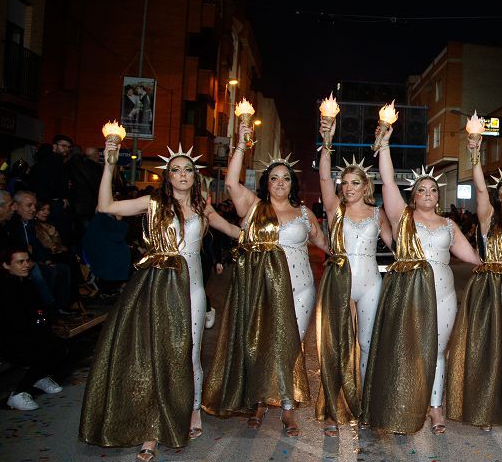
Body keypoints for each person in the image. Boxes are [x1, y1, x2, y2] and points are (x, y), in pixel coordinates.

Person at [80, 140, 238, 462]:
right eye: (176, 170)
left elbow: (232, 229)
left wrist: (267, 232)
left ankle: (193, 411)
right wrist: (109, 166)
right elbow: (106, 207)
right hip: (156, 287)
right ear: (167, 176)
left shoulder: (203, 207)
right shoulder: (152, 203)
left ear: (196, 176)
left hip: (193, 289)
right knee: (155, 355)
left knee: (190, 352)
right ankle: (151, 429)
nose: (182, 175)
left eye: (188, 170)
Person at [204, 121, 327, 437]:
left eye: (286, 178)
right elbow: (231, 182)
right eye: (274, 178)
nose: (280, 183)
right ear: (266, 183)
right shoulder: (254, 207)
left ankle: (287, 408)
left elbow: (327, 245)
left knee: (290, 346)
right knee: (260, 344)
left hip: (301, 289)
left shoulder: (304, 214)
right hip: (263, 289)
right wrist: (243, 143)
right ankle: (258, 401)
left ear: (292, 184)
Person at [360, 123, 480, 435]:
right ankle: (403, 403)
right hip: (409, 293)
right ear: (413, 196)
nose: (427, 194)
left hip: (442, 294)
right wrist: (384, 146)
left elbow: (471, 257)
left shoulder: (449, 224)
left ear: (439, 197)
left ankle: (436, 407)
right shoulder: (403, 218)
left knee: (438, 350)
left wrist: (496, 270)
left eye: (433, 190)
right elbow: (387, 183)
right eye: (421, 190)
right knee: (408, 349)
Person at [447, 132, 502, 430]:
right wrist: (475, 154)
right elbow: (481, 191)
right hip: (494, 289)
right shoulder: (487, 217)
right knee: (493, 347)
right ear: (499, 196)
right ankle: (486, 406)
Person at [315, 116, 392, 436]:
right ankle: (335, 409)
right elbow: (322, 177)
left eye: (354, 182)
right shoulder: (336, 210)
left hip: (371, 282)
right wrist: (327, 141)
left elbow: (398, 245)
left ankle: (366, 406)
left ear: (366, 186)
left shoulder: (378, 213)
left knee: (368, 343)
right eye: (344, 183)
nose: (348, 188)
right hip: (341, 282)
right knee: (339, 344)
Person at [2, 248, 69, 411]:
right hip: (8, 338)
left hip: (28, 333)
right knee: (46, 349)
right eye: (20, 262)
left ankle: (39, 376)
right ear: (6, 265)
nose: (26, 265)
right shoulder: (4, 287)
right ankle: (18, 393)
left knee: (60, 345)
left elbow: (38, 310)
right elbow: (11, 322)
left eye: (27, 261)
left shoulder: (28, 283)